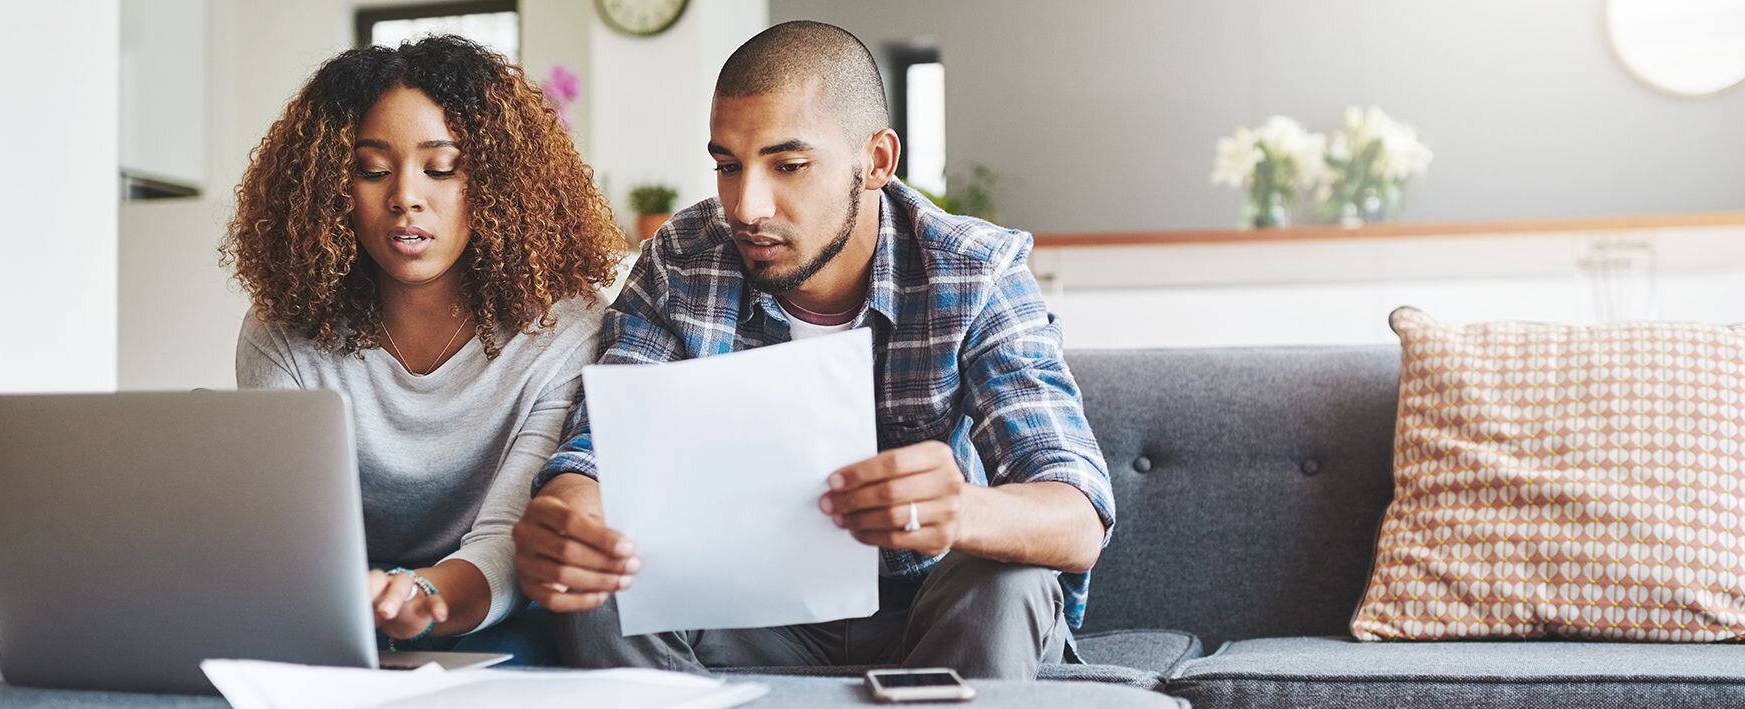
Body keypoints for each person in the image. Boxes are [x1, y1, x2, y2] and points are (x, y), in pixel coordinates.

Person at [512, 21, 1115, 680]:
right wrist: (572, 516)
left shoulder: (972, 271)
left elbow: (1076, 515)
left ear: (877, 162)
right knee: (602, 583)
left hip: (931, 611)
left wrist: (960, 509)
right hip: (750, 612)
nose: (747, 205)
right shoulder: (681, 262)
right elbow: (598, 450)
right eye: (727, 165)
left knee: (1009, 578)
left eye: (788, 165)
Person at [222, 35, 621, 652]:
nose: (405, 195)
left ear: (495, 185)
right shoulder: (283, 329)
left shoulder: (562, 330)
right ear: (332, 188)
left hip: (491, 613)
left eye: (442, 168)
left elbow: (508, 544)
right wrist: (360, 601)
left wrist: (421, 598)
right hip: (334, 609)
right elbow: (283, 531)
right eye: (372, 169)